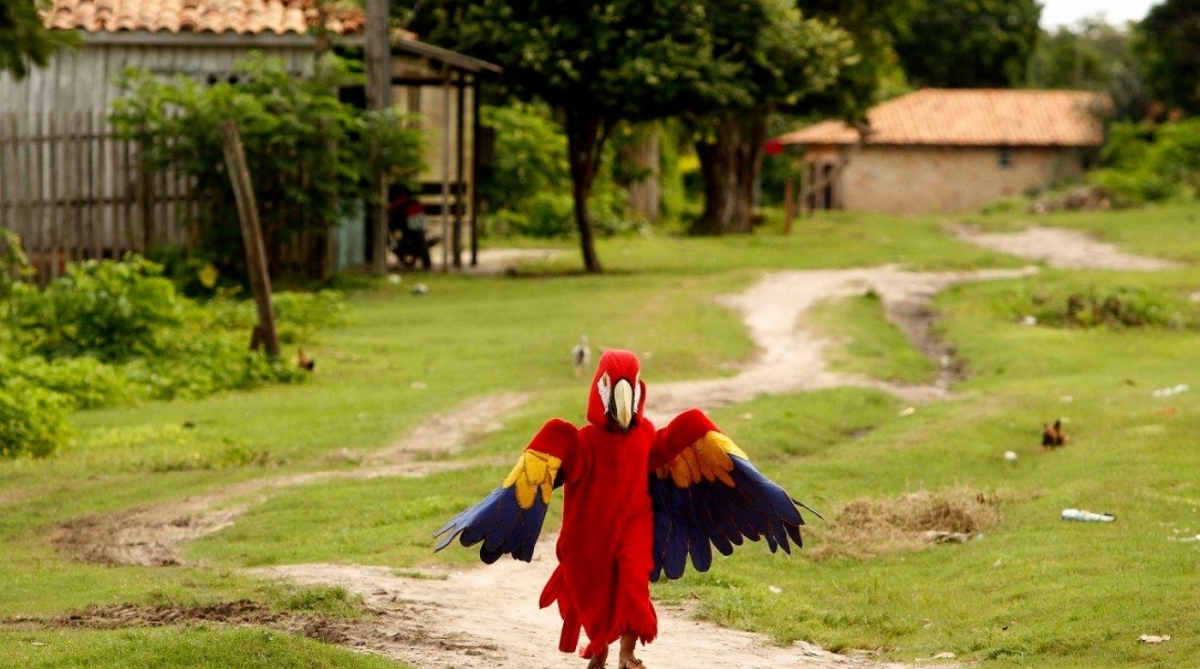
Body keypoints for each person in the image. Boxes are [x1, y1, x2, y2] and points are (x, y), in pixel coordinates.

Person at [388, 186, 432, 270]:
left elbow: (393, 222)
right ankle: (423, 262)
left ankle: (403, 257)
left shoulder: (397, 204)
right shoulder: (413, 202)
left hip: (403, 228)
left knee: (395, 237)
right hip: (416, 227)